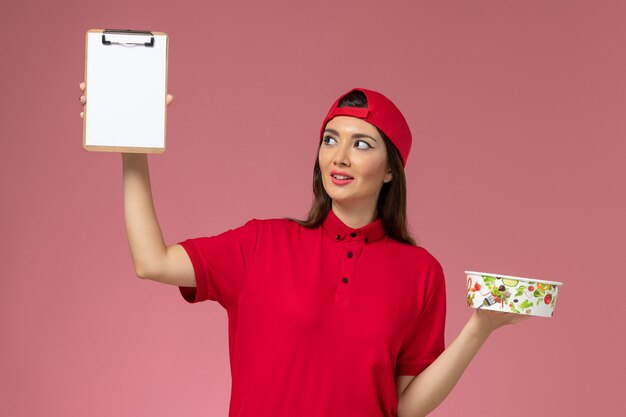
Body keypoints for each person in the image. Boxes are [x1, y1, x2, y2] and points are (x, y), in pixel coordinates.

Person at [78, 84, 529, 417]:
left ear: (391, 171)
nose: (340, 157)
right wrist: (132, 151)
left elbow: (404, 408)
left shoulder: (421, 272)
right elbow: (151, 261)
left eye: (362, 144)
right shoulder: (261, 243)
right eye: (330, 140)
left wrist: (479, 329)